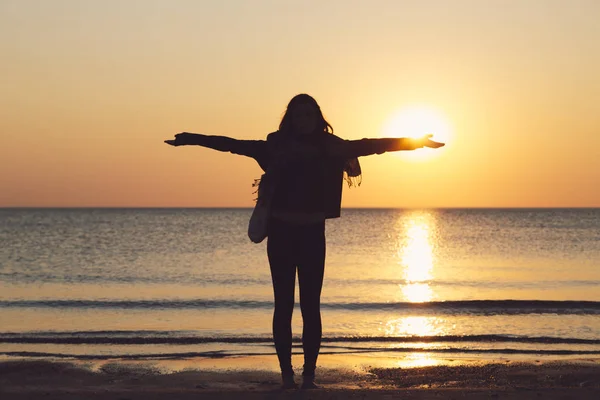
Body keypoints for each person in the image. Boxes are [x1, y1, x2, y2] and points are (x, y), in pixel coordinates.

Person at [165, 93, 444, 390]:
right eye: (298, 116)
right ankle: (287, 377)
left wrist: (414, 141)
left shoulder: (332, 148)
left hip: (313, 235)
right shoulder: (274, 147)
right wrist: (192, 138)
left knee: (311, 307)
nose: (303, 121)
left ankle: (308, 376)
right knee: (283, 305)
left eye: (309, 115)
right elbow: (233, 145)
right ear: (290, 119)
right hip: (281, 235)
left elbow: (371, 145)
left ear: (317, 118)